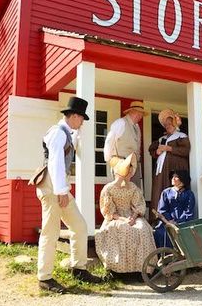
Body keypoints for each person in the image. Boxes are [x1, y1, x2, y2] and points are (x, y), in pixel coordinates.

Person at [36, 97, 102, 293]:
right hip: (52, 185)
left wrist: (78, 135)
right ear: (74, 116)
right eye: (81, 119)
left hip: (59, 184)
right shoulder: (57, 133)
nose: (82, 122)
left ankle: (79, 268)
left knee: (79, 226)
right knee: (50, 231)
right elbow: (55, 162)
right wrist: (61, 191)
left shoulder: (66, 132)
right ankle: (45, 277)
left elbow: (67, 153)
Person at [95, 153, 156, 276]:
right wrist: (123, 219)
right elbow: (109, 212)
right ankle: (119, 270)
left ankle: (142, 269)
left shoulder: (132, 187)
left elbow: (138, 205)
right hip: (115, 217)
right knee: (119, 229)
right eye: (128, 171)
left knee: (142, 228)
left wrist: (133, 217)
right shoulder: (108, 189)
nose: (130, 174)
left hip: (132, 215)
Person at [149, 109, 190, 222]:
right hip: (162, 171)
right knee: (160, 190)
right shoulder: (162, 139)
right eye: (165, 124)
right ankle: (159, 218)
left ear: (174, 123)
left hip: (175, 168)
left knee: (174, 190)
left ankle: (175, 217)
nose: (168, 126)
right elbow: (152, 150)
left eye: (169, 123)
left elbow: (185, 150)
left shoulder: (181, 136)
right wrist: (157, 152)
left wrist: (168, 148)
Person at [104, 101, 149, 188]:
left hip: (134, 166)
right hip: (121, 164)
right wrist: (111, 161)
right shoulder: (120, 123)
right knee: (121, 192)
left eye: (141, 114)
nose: (140, 117)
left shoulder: (137, 127)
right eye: (139, 113)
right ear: (131, 112)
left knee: (134, 193)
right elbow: (109, 141)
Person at [154, 170, 196, 248]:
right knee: (161, 233)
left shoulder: (189, 194)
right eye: (173, 176)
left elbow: (189, 211)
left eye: (176, 177)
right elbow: (162, 209)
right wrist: (169, 220)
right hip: (166, 223)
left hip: (183, 223)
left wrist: (178, 222)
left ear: (183, 179)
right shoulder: (166, 192)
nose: (173, 178)